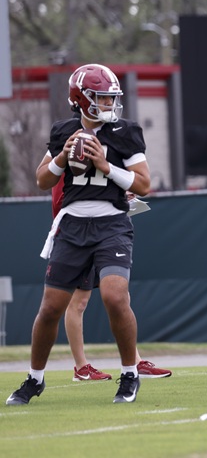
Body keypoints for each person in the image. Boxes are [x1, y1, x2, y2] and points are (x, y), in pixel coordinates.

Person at [7, 64, 150, 406]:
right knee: (51, 308)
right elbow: (43, 179)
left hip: (111, 224)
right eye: (101, 97)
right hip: (71, 226)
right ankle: (35, 378)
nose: (109, 103)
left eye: (111, 97)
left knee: (115, 297)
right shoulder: (64, 131)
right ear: (81, 100)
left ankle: (130, 373)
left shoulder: (124, 132)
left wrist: (106, 165)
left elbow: (144, 183)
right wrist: (61, 156)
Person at [48, 182, 172, 381]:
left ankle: (135, 361)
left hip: (108, 232)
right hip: (77, 236)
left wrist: (120, 197)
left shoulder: (105, 157)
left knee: (120, 294)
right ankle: (81, 367)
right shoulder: (65, 156)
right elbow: (62, 199)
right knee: (78, 302)